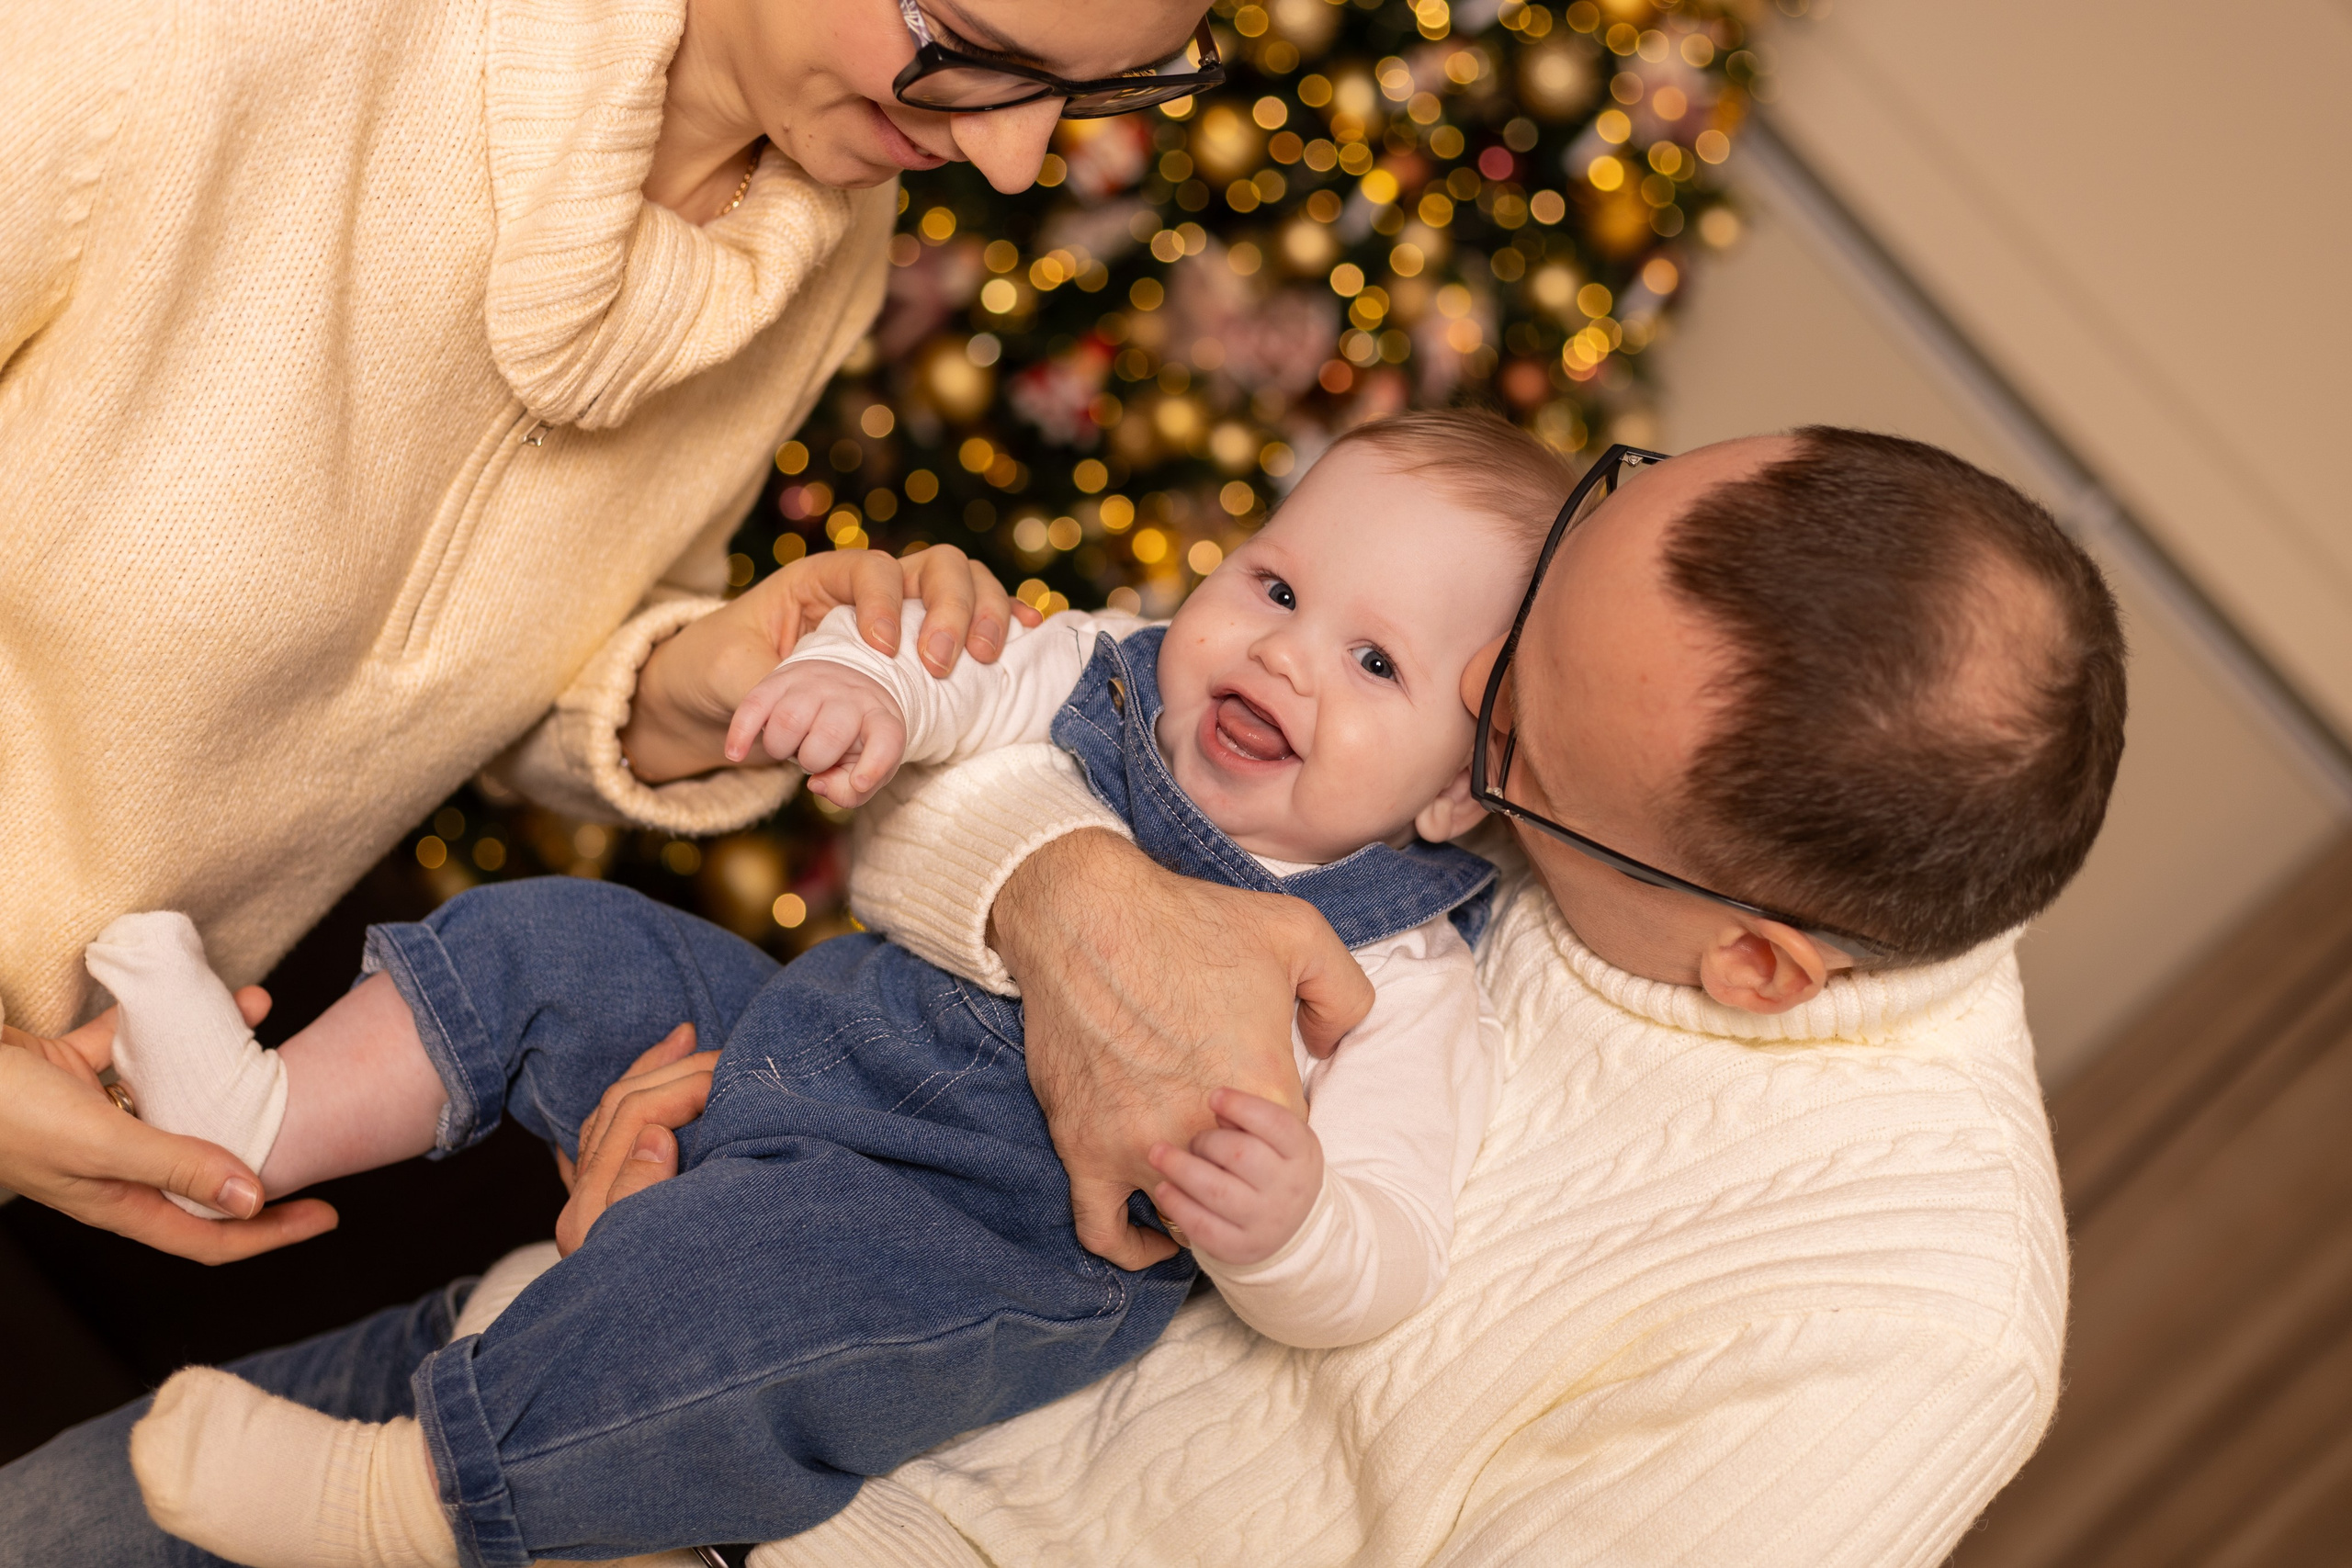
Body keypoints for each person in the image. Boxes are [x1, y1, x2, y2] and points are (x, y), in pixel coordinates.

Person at [3, 425, 2126, 1568]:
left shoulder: (1888, 1319)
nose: (1448, 727)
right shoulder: (1600, 704)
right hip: (591, 1289)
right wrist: (1061, 893)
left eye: (1517, 750)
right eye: (1589, 506)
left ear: (1754, 951)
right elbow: (1015, 777)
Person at [81, 411, 1544, 1564]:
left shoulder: (1402, 977)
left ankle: (406, 1499)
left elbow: (1389, 1248)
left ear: (1458, 800)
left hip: (965, 1240)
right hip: (803, 1041)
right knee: (568, 944)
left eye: (1371, 660)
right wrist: (871, 689)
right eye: (1275, 584)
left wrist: (1292, 1225)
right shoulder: (1117, 667)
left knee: (746, 1297)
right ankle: (263, 1115)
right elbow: (961, 666)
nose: (1285, 652)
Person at [0, 0, 1215, 1254]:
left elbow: (473, 662)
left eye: (1098, 89)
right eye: (967, 45)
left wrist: (693, 678)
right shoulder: (209, 33)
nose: (1012, 159)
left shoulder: (823, 245)